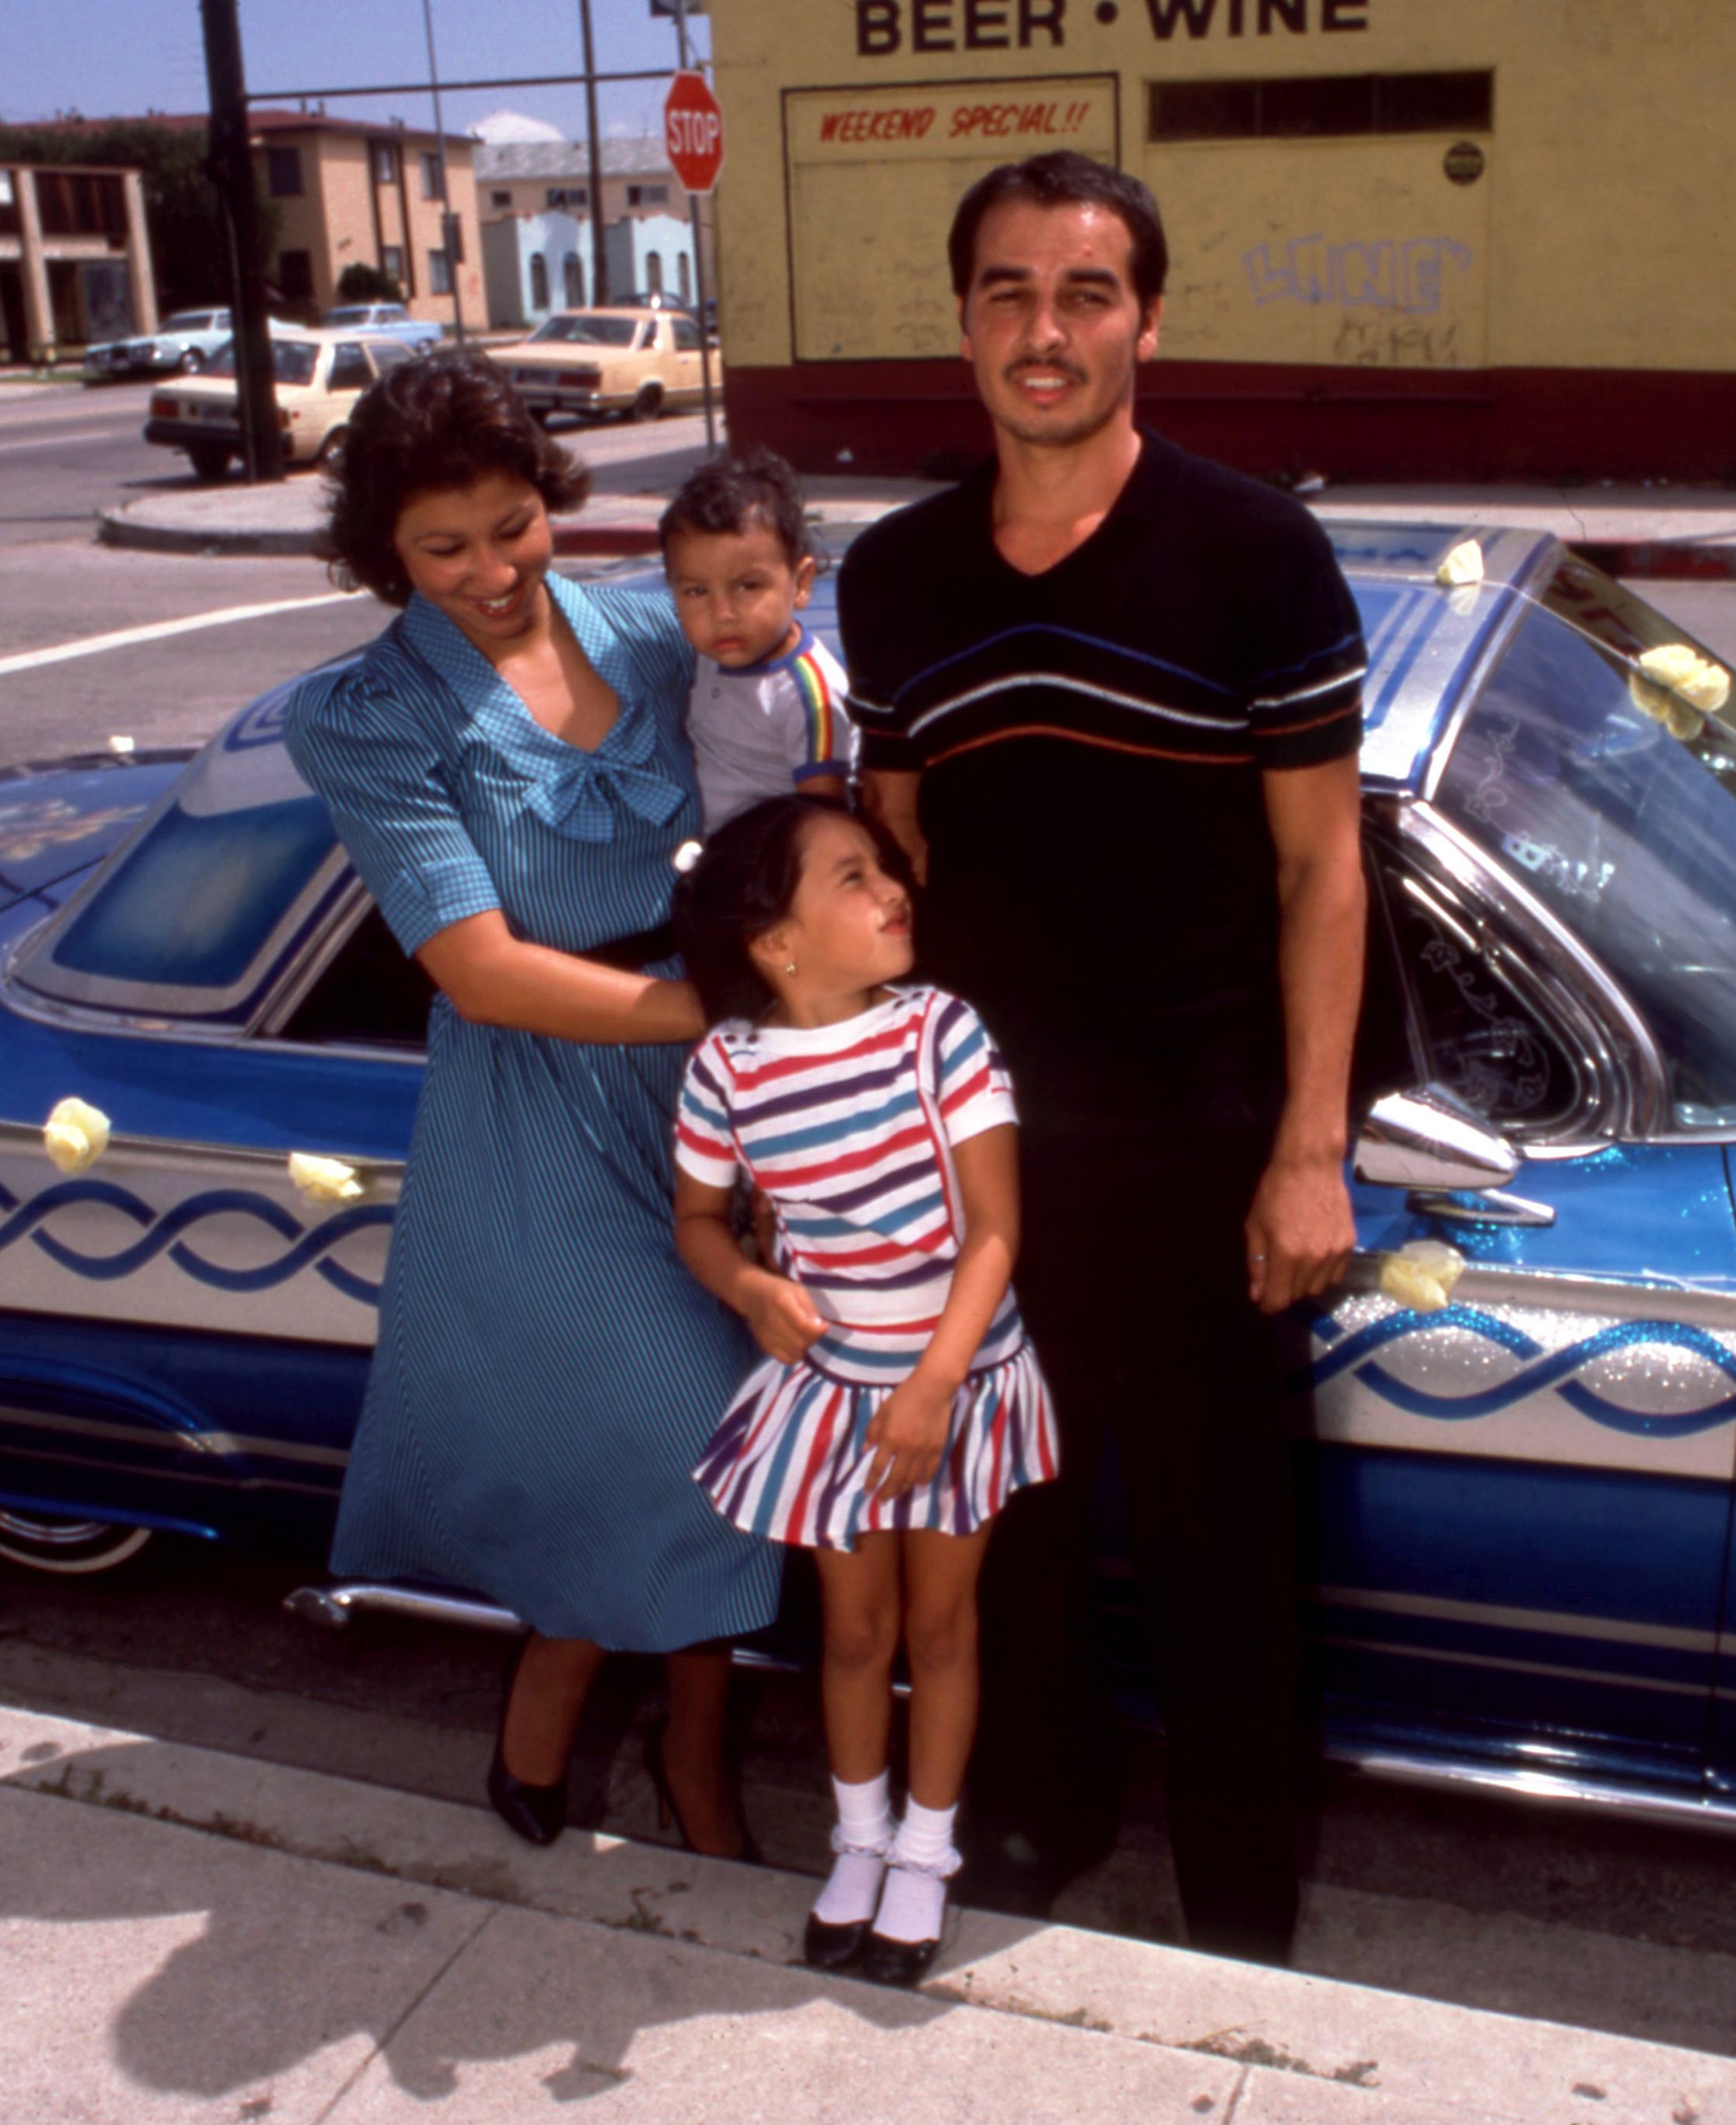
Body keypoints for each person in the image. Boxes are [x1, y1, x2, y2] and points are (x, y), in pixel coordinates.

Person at [834, 150, 1369, 1964]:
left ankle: (1239, 1905)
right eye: (1005, 293)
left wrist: (1307, 1144)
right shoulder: (898, 575)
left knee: (1225, 1555)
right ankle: (1033, 1818)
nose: (1041, 332)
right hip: (977, 1150)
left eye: (1080, 296)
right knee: (1016, 1533)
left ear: (1146, 317)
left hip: (1199, 1135)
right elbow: (887, 874)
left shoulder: (1253, 550)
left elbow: (1321, 867)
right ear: (962, 319)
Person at [284, 346, 778, 1863]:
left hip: (706, 1105)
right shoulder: (365, 716)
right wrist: (736, 1006)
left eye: (513, 523)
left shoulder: (655, 635)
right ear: (385, 554)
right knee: (684, 1441)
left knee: (725, 1448)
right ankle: (684, 1763)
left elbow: (789, 771)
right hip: (539, 1115)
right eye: (445, 547)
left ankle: (549, 1726)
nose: (492, 570)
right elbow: (482, 970)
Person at [665, 794, 1060, 1985]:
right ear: (774, 943)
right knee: (852, 1632)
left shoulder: (939, 1031)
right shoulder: (727, 1066)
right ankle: (859, 1841)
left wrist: (937, 1383)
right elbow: (695, 1221)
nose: (891, 887)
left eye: (882, 866)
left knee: (940, 1627)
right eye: (849, 876)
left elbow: (995, 1230)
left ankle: (926, 1859)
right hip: (839, 1395)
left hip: (958, 1383)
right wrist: (747, 1286)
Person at [659, 450, 851, 828]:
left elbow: (825, 824)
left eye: (748, 586)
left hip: (774, 868)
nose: (722, 614)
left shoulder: (808, 696)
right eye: (697, 592)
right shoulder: (707, 656)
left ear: (801, 583)